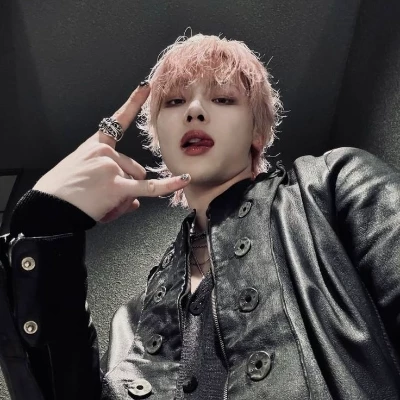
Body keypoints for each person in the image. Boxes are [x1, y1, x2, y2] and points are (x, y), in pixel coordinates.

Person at [0, 32, 399, 400]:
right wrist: (45, 225)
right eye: (174, 102)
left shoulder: (329, 186)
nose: (194, 110)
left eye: (223, 99)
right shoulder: (133, 320)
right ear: (159, 137)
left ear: (257, 132)